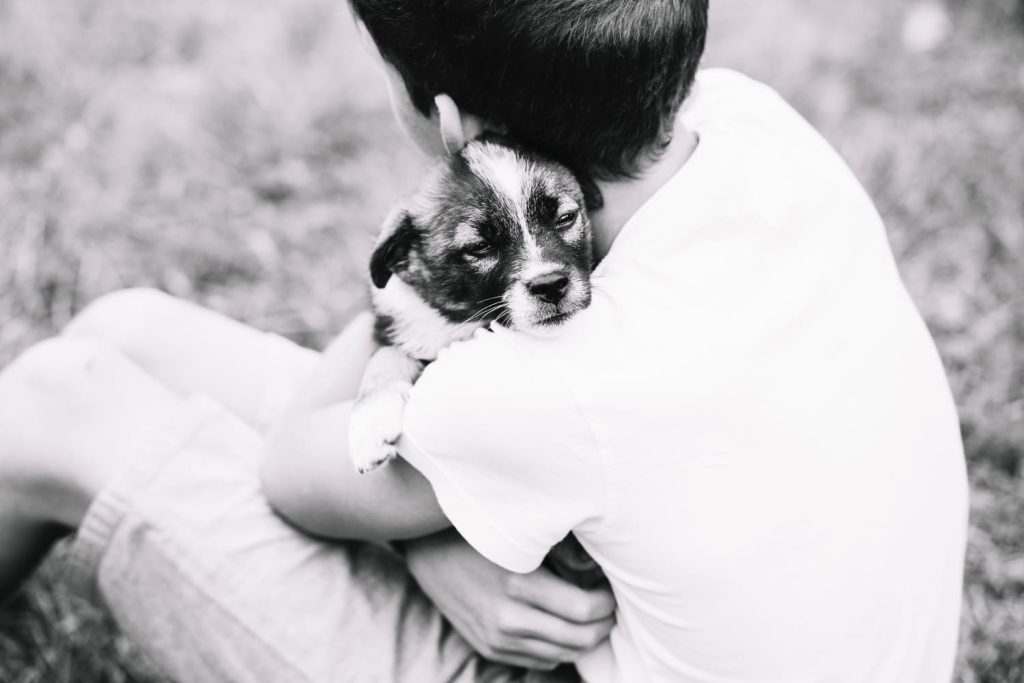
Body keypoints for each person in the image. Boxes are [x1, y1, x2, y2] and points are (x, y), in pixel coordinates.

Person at [0, 1, 968, 681]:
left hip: (557, 655)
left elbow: (293, 468)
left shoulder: (545, 378)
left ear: (451, 122)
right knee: (124, 330)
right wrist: (433, 536)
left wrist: (404, 269)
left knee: (57, 395)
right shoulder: (751, 121)